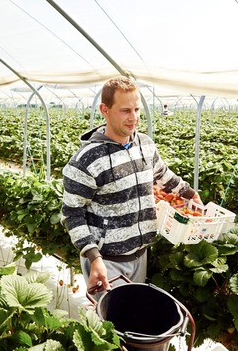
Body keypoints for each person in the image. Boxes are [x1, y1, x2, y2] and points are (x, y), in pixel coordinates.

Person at [61, 76, 203, 295]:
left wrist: (188, 193)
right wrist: (93, 256)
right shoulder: (86, 160)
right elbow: (72, 213)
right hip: (107, 262)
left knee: (133, 319)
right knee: (113, 325)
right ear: (104, 110)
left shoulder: (145, 144)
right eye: (125, 110)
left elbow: (162, 175)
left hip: (141, 254)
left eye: (137, 110)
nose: (134, 118)